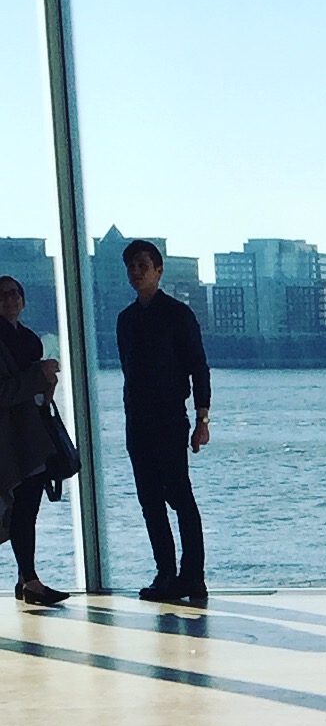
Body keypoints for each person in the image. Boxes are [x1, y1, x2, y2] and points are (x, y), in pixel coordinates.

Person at [118, 240, 211, 605]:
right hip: (137, 421)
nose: (136, 272)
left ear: (159, 270)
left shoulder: (178, 315)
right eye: (131, 267)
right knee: (150, 500)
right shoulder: (125, 320)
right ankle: (166, 574)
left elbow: (198, 367)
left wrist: (202, 417)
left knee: (179, 496)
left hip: (171, 419)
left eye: (143, 265)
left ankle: (194, 576)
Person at [0, 275, 68, 607]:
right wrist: (36, 378)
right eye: (3, 295)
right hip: (8, 439)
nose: (10, 300)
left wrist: (46, 384)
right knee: (18, 510)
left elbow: (32, 391)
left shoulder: (28, 340)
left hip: (30, 436)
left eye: (15, 293)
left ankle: (27, 577)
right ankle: (28, 579)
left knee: (26, 510)